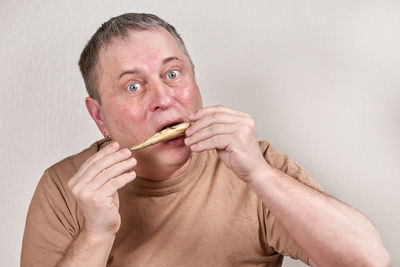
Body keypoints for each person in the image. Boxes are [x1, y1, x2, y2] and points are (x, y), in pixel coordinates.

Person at [21, 13, 390, 267]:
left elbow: (370, 260)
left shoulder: (253, 162)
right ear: (99, 116)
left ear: (195, 80)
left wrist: (259, 175)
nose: (163, 98)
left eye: (173, 73)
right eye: (133, 86)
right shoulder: (65, 187)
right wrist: (96, 233)